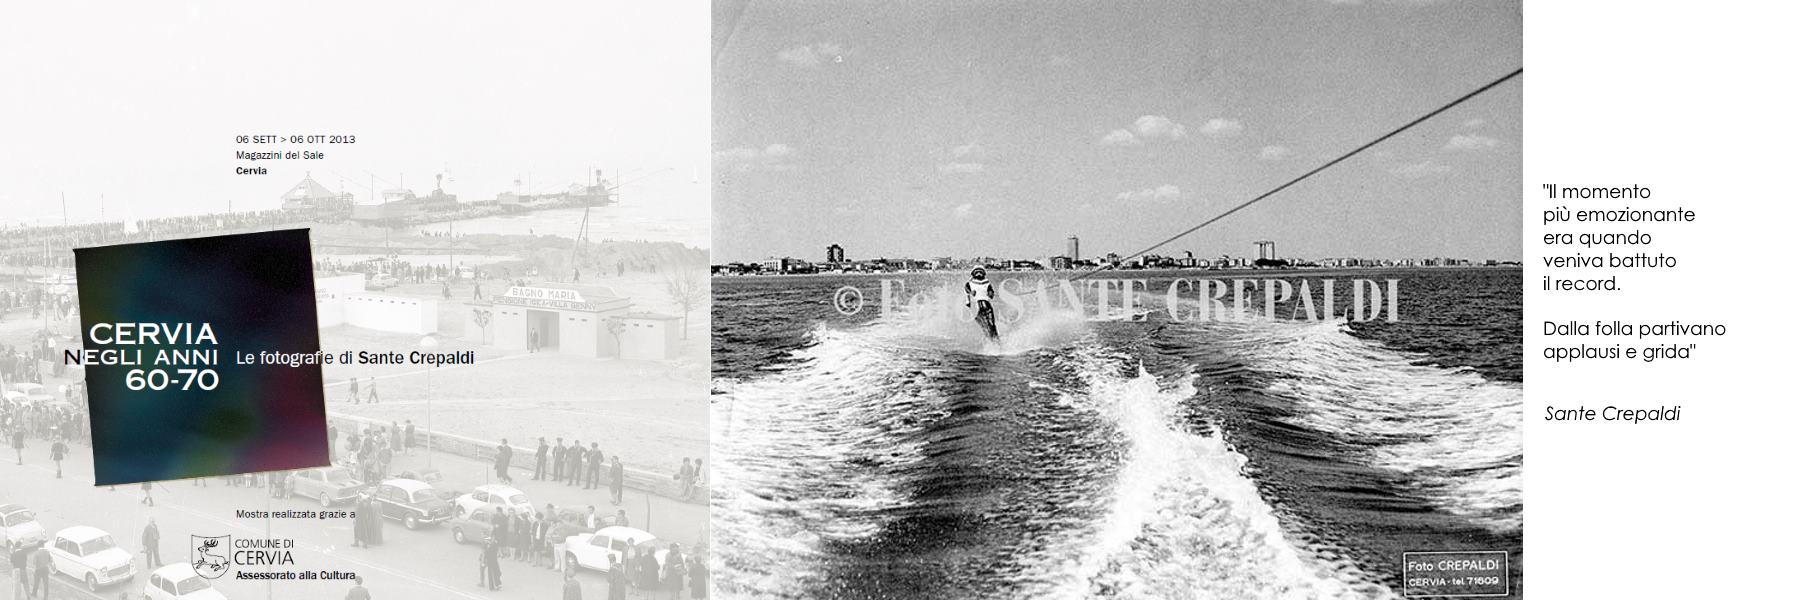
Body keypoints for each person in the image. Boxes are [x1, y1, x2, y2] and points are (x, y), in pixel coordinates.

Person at [964, 267, 1000, 340]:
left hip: (986, 305)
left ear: (984, 273)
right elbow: (967, 290)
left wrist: (991, 293)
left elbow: (991, 293)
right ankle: (990, 341)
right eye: (977, 272)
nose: (979, 274)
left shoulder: (987, 283)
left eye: (980, 272)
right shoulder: (969, 283)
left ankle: (996, 340)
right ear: (973, 273)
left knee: (992, 325)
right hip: (975, 307)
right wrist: (971, 292)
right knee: (984, 326)